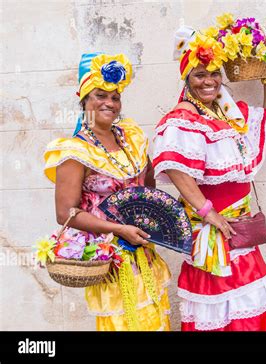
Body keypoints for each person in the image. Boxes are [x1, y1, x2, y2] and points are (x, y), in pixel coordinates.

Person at [153, 26, 266, 331]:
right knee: (223, 306)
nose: (208, 81)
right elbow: (174, 166)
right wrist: (206, 211)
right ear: (186, 79)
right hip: (215, 234)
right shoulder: (184, 117)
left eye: (213, 73)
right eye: (199, 74)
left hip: (239, 230)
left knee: (245, 304)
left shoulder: (225, 113)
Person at [44, 52, 171, 331]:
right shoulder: (74, 152)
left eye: (115, 97)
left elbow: (146, 188)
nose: (109, 103)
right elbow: (65, 213)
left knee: (155, 320)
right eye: (100, 95)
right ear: (85, 100)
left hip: (144, 252)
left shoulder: (132, 137)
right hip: (110, 261)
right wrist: (119, 229)